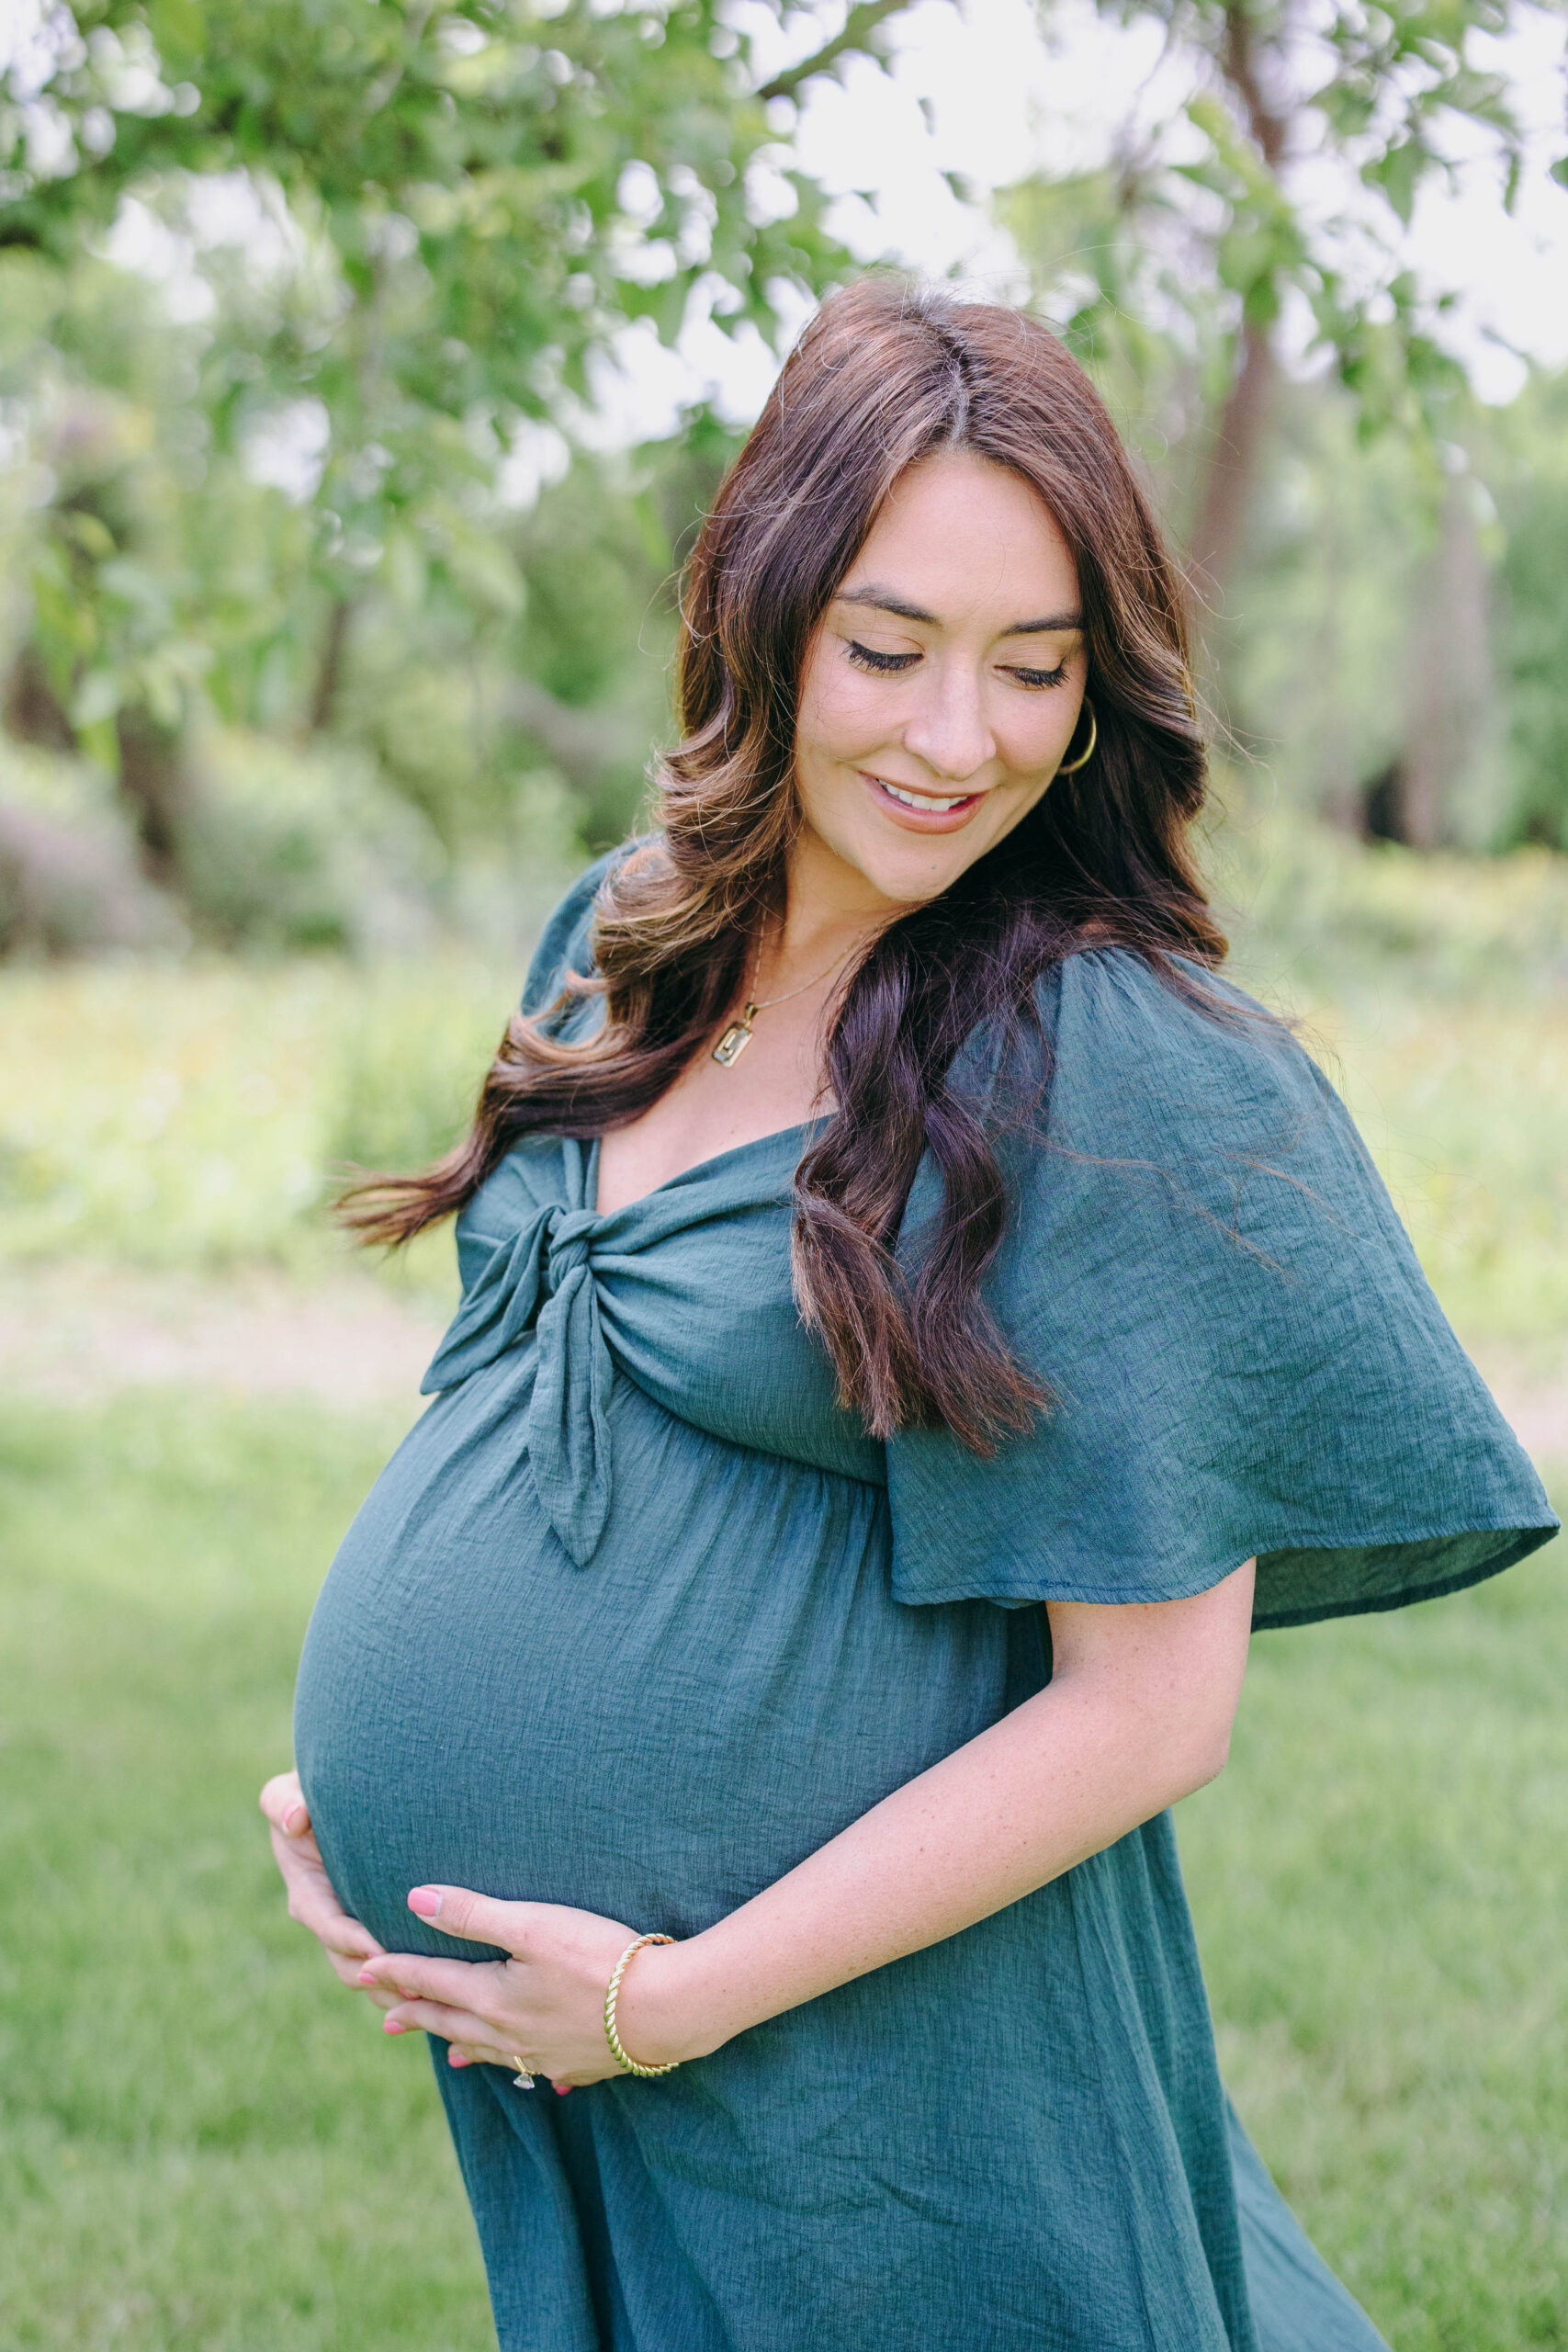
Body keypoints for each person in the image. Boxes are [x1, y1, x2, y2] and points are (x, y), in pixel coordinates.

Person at [261, 279, 1554, 2352]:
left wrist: (660, 1995)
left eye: (1031, 670)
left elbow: (1151, 1707)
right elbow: (524, 1406)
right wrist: (361, 1776)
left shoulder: (1096, 1057)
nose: (960, 740)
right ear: (758, 613)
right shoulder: (617, 939)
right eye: (887, 650)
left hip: (874, 2062)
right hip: (564, 2033)